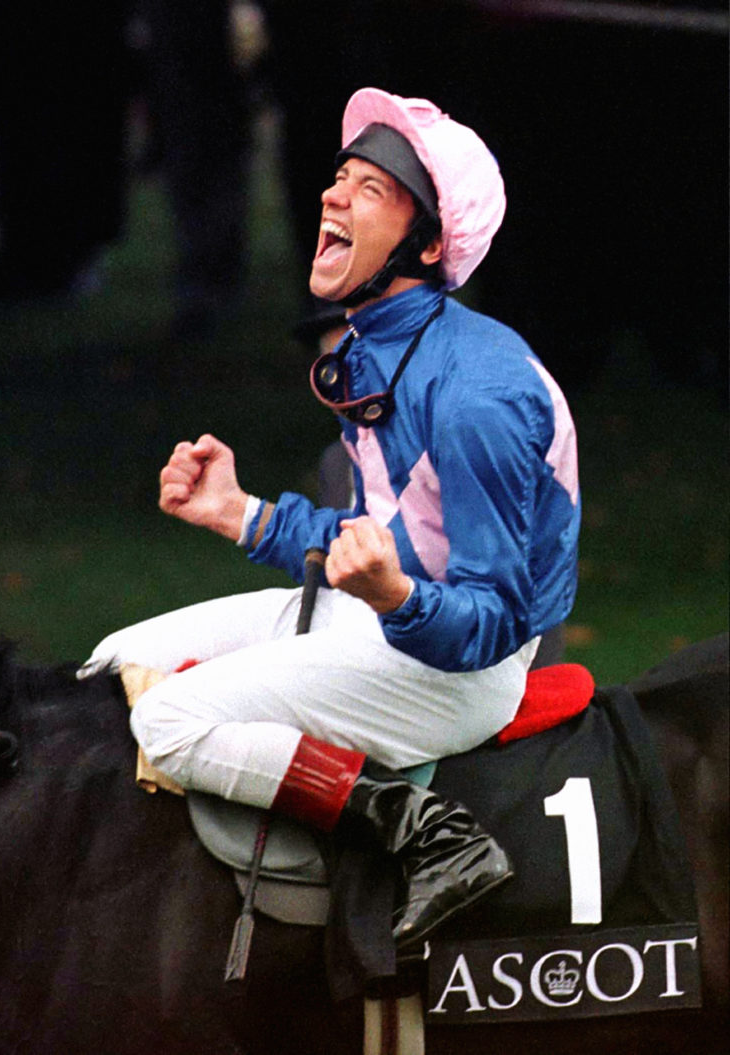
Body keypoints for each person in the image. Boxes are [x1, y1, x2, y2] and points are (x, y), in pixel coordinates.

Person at [81, 89, 581, 950]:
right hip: (387, 620)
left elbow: (495, 621)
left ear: (427, 245)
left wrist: (393, 597)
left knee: (169, 722)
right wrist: (241, 513)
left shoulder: (477, 396)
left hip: (463, 672)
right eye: (338, 178)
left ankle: (426, 831)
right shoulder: (381, 344)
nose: (331, 196)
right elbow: (368, 537)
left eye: (369, 189)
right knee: (112, 664)